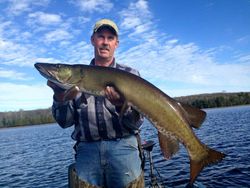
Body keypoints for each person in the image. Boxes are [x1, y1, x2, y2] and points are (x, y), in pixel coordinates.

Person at [47, 19, 144, 188]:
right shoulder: (75, 77)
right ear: (93, 40)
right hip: (87, 152)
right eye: (101, 36)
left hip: (124, 148)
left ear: (116, 43)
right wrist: (59, 96)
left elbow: (136, 122)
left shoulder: (131, 74)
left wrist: (122, 106)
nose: (105, 42)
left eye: (110, 38)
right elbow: (65, 122)